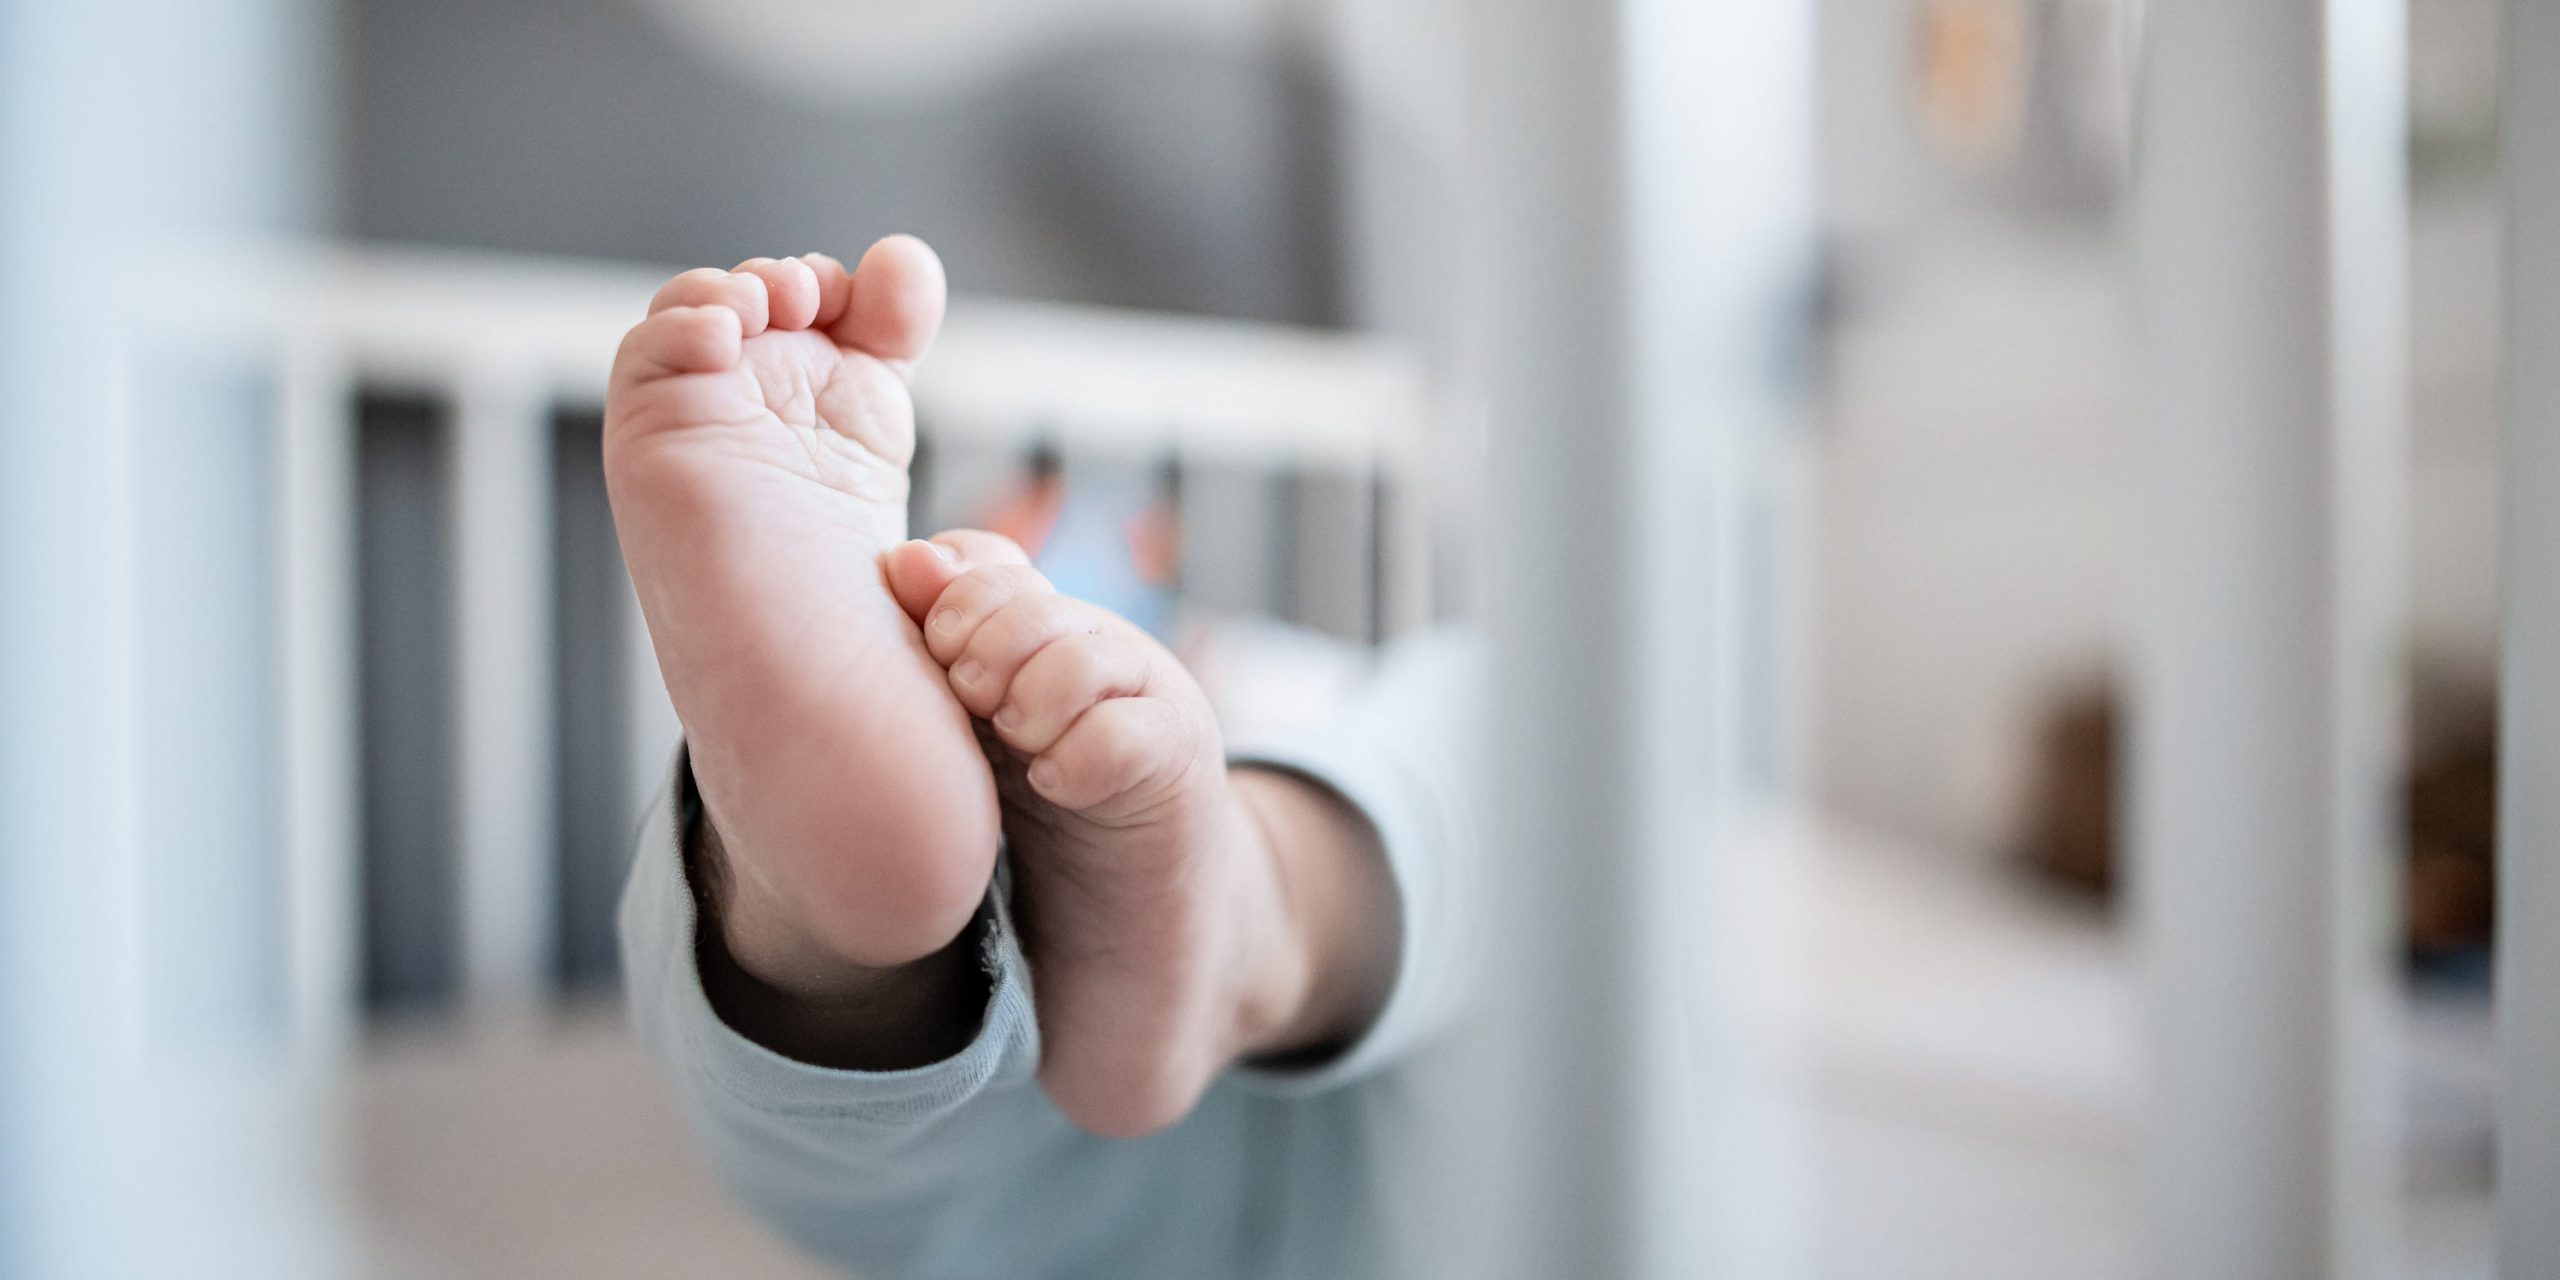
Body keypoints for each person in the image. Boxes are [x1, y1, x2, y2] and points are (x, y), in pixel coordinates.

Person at [608, 236, 1478, 1276]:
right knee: (1519, 738)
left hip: (1089, 1182)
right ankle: (851, 929)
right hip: (1385, 1177)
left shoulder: (1271, 679)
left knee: (1524, 726)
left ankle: (826, 954)